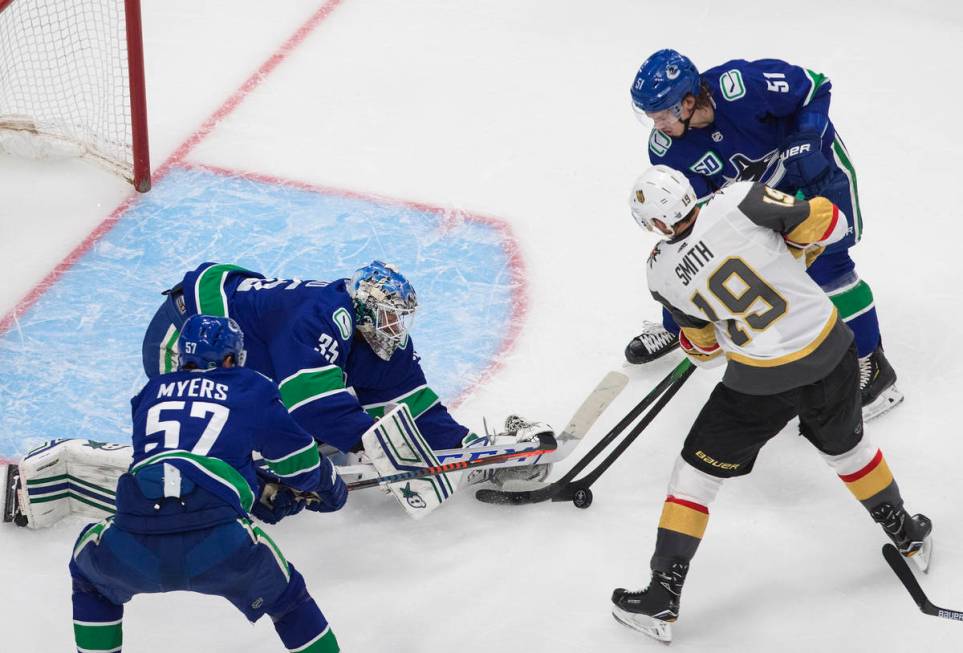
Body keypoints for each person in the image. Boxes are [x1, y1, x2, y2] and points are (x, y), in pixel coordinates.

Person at [610, 166, 932, 643]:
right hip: (832, 351)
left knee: (695, 476)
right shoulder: (738, 199)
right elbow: (827, 222)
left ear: (652, 226)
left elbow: (706, 353)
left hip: (760, 383)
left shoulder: (659, 273)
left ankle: (662, 596)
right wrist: (793, 250)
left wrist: (719, 326)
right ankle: (906, 531)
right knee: (847, 451)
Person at [623, 49, 900, 420]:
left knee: (830, 269)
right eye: (650, 118)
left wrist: (807, 137)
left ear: (688, 102)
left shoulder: (742, 86)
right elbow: (692, 221)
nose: (657, 126)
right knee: (691, 251)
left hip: (819, 178)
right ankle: (677, 326)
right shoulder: (669, 147)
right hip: (759, 199)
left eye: (661, 115)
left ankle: (874, 365)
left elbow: (815, 87)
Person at [70, 315, 348, 653]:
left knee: (90, 579)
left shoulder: (150, 392)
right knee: (288, 602)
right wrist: (330, 487)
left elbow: (180, 457)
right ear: (230, 358)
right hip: (217, 541)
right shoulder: (249, 386)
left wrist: (254, 490)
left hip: (136, 536)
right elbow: (299, 462)